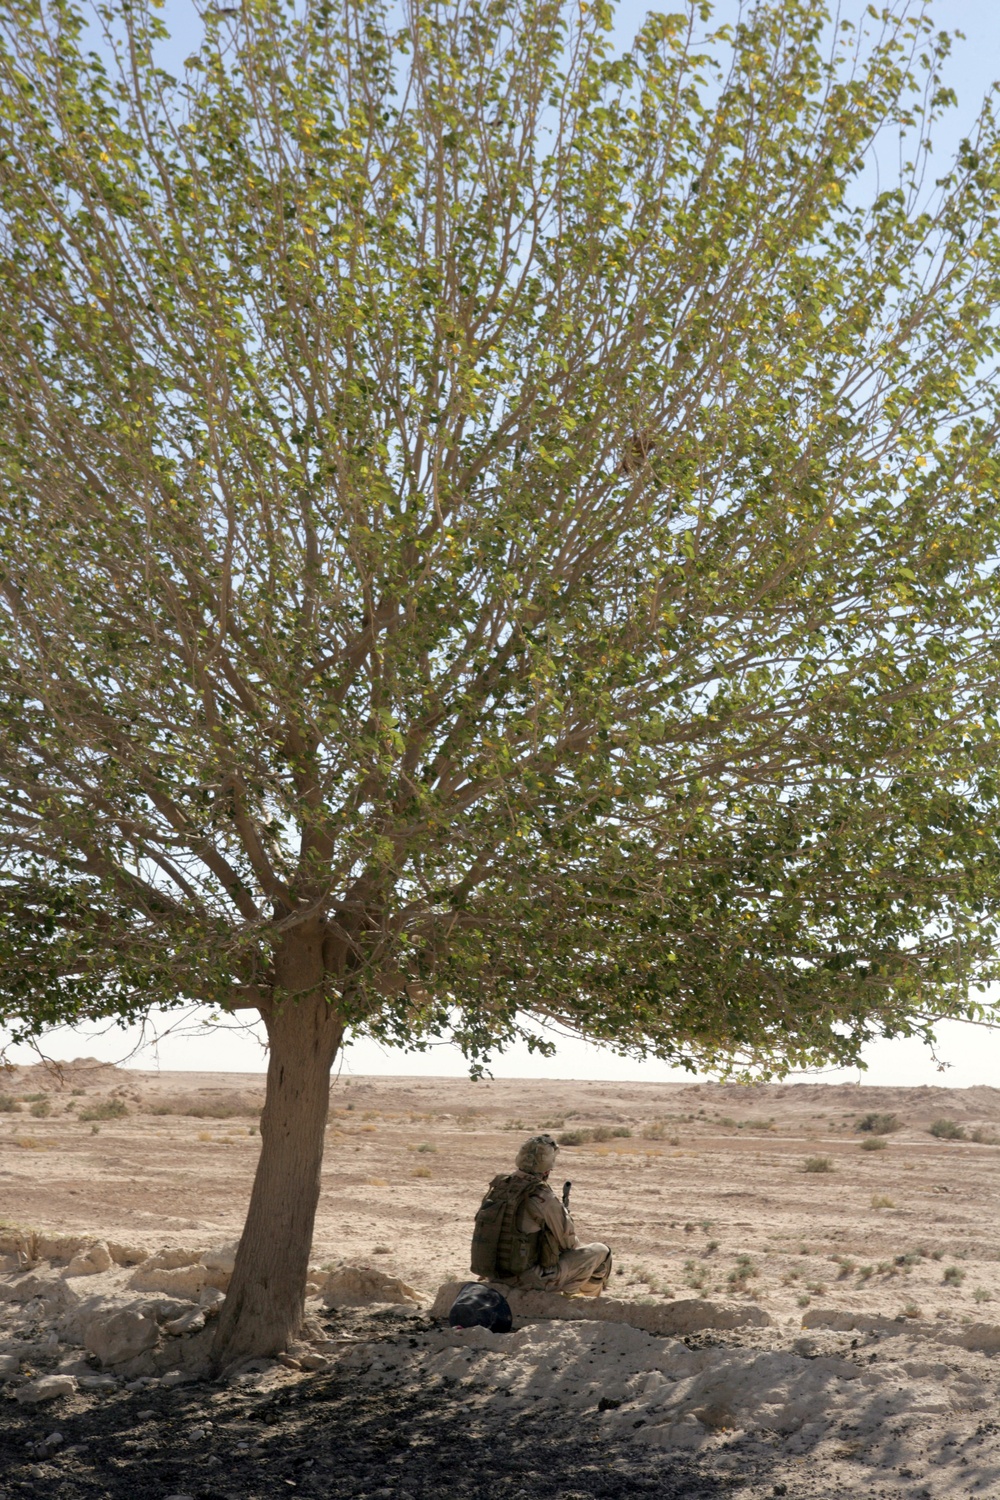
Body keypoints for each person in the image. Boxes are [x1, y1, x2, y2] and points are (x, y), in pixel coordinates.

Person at [471, 1133, 612, 1297]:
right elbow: (569, 1244)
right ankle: (584, 1302)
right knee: (601, 1252)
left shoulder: (500, 1186)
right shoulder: (541, 1195)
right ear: (547, 1168)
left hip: (494, 1274)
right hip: (526, 1279)